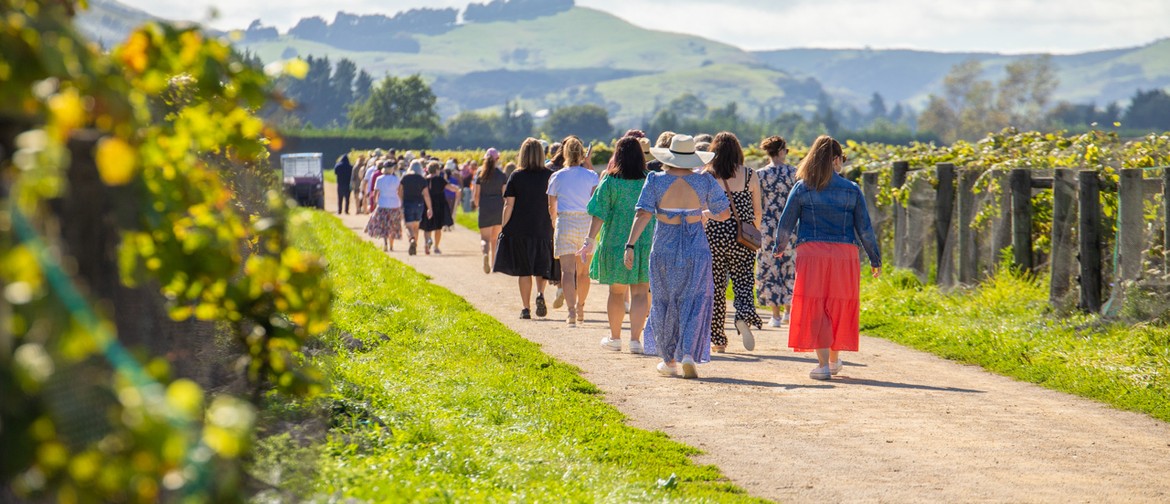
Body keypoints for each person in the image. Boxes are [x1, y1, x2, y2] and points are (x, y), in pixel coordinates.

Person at [771, 135, 881, 381]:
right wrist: (875, 259)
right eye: (842, 158)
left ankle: (822, 365)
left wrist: (779, 246)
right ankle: (833, 361)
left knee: (816, 306)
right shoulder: (852, 189)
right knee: (838, 304)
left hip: (812, 253)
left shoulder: (802, 187)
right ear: (835, 159)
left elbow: (786, 221)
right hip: (845, 255)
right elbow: (864, 228)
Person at [625, 134, 730, 378]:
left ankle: (669, 359)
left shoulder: (655, 179)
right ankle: (689, 354)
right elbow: (723, 213)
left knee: (664, 299)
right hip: (696, 246)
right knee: (694, 300)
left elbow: (642, 215)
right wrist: (703, 212)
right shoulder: (704, 181)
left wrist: (630, 245)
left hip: (664, 246)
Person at [578, 137, 652, 353]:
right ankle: (636, 340)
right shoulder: (650, 179)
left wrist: (589, 241)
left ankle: (615, 338)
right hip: (644, 241)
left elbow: (598, 213)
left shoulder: (610, 182)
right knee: (640, 293)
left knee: (617, 293)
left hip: (615, 242)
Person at [703, 132, 764, 353]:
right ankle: (743, 316)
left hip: (715, 234)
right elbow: (757, 210)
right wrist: (754, 231)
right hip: (743, 235)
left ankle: (718, 339)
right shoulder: (750, 175)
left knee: (716, 286)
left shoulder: (708, 175)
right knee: (744, 279)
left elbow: (702, 210)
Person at [494, 138, 558, 319]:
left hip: (520, 228)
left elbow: (509, 205)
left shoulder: (516, 175)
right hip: (543, 227)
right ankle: (540, 294)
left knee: (524, 269)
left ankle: (525, 308)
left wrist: (504, 225)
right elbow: (554, 203)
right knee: (541, 266)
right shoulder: (550, 175)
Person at [547, 136, 599, 326]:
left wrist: (555, 222)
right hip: (586, 222)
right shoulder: (591, 176)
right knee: (583, 273)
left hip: (565, 221)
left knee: (567, 272)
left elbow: (551, 205)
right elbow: (596, 203)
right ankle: (581, 307)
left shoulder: (557, 176)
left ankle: (570, 313)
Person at [755, 136, 798, 327]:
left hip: (767, 226)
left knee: (770, 267)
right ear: (781, 151)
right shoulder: (794, 173)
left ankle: (775, 315)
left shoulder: (759, 175)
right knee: (790, 266)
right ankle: (789, 310)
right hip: (790, 225)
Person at [474, 148, 507, 273]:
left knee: (485, 239)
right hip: (498, 207)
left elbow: (476, 195)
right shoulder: (502, 175)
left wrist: (479, 205)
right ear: (497, 159)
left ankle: (485, 254)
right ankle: (494, 264)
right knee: (495, 239)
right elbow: (505, 194)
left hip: (485, 206)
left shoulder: (480, 175)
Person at [420, 161, 459, 254]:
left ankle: (427, 242)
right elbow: (450, 187)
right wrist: (457, 189)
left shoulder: (425, 180)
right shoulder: (440, 179)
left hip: (427, 204)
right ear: (437, 170)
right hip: (439, 204)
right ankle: (436, 247)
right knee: (438, 227)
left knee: (427, 227)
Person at [363, 162, 403, 252]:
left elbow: (376, 192)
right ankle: (391, 245)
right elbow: (399, 192)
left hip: (383, 204)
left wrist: (375, 202)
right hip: (394, 204)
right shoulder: (396, 179)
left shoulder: (379, 179)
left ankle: (385, 243)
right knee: (392, 224)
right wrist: (400, 202)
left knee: (384, 225)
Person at [400, 161, 431, 256]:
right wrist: (430, 208)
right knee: (416, 227)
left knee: (408, 226)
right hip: (419, 204)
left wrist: (400, 203)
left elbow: (399, 191)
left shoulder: (405, 178)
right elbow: (426, 195)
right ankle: (415, 246)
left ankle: (411, 240)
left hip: (407, 203)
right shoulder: (422, 179)